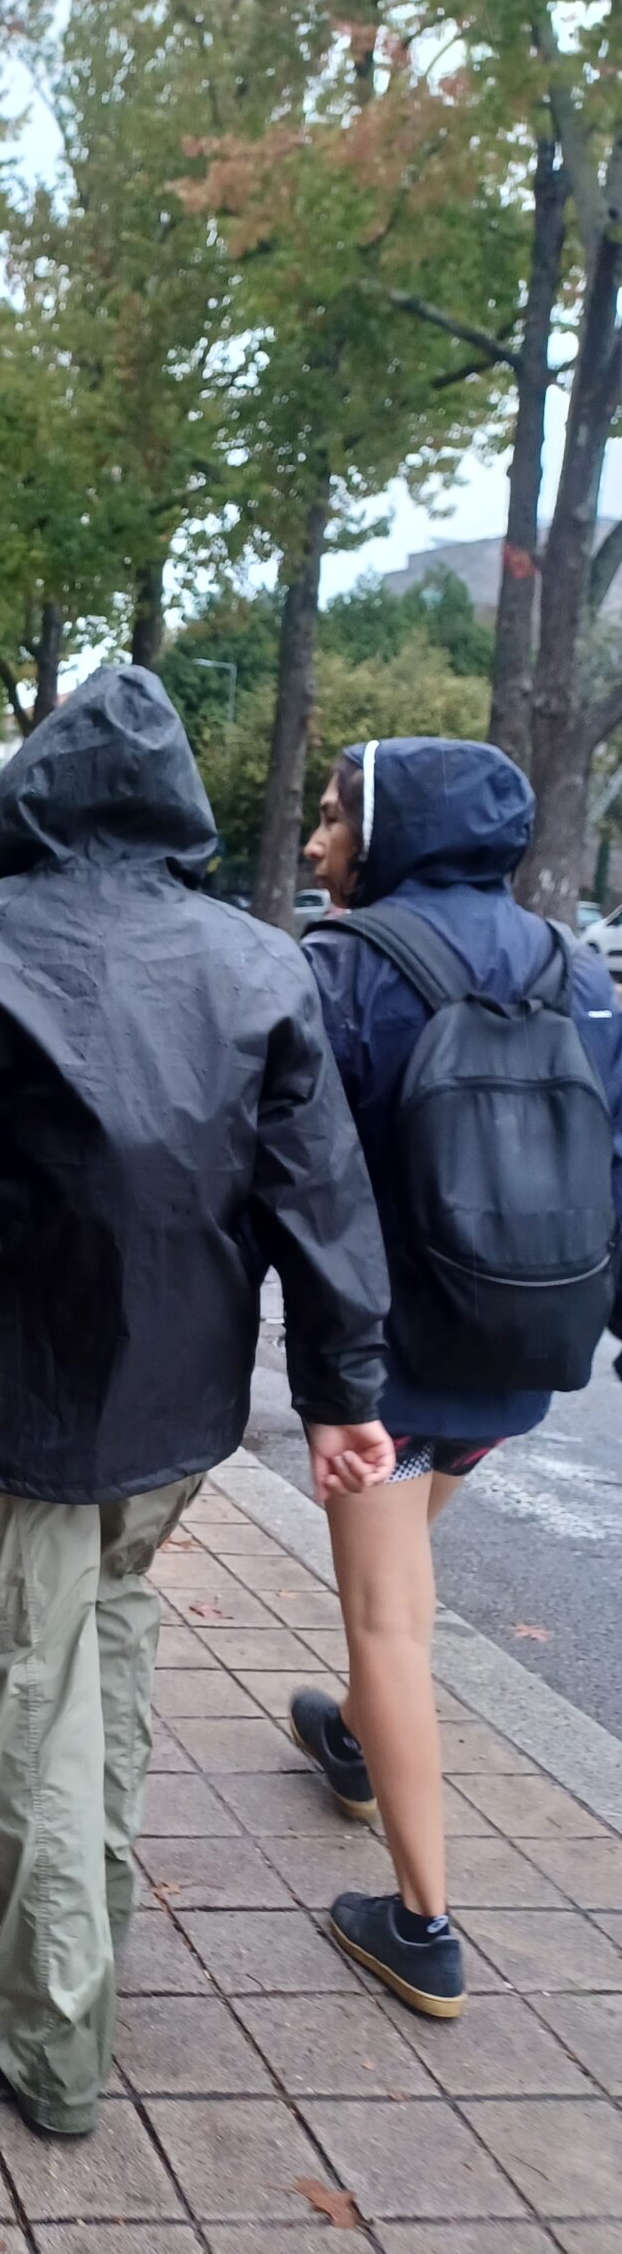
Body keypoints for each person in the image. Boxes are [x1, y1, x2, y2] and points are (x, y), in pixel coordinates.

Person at [0, 667, 392, 2138]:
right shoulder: (257, 964)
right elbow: (320, 1193)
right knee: (102, 1658)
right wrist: (341, 1387)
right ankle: (84, 1936)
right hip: (172, 1410)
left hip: (12, 1398)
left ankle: (54, 2034)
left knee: (38, 1694)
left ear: (34, 794)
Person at [294, 739, 622, 2016]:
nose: (318, 842)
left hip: (385, 1362)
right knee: (404, 1579)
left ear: (390, 831)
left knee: (390, 1621)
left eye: (335, 818)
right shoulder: (578, 971)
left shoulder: (340, 968)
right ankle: (355, 1733)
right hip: (525, 1341)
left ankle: (422, 1923)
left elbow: (295, 1177)